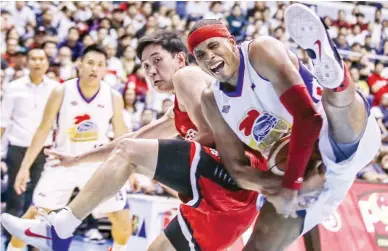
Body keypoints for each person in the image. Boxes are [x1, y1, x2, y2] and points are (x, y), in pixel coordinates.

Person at [1, 31, 294, 251]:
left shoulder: (188, 76)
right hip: (225, 204)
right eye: (145, 65)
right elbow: (130, 141)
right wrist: (76, 159)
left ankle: (59, 228)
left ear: (180, 59)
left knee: (131, 155)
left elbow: (214, 135)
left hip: (231, 177)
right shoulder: (175, 111)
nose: (151, 70)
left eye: (157, 60)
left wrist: (165, 162)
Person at [192, 4, 380, 250]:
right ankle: (336, 84)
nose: (209, 57)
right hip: (300, 177)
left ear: (230, 41)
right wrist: (283, 188)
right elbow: (237, 170)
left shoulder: (260, 51)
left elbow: (308, 118)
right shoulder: (212, 100)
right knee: (258, 245)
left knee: (334, 102)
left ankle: (335, 76)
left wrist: (292, 184)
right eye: (200, 55)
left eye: (213, 46)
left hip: (334, 140)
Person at [4, 45, 132, 251]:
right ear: (79, 65)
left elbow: (121, 133)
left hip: (96, 164)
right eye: (90, 63)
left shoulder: (113, 96)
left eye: (100, 65)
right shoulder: (61, 90)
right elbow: (43, 129)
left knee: (123, 225)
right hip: (62, 161)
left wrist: (131, 167)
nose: (94, 68)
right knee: (35, 218)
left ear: (106, 70)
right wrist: (25, 166)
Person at [0, 47, 59, 248]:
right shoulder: (14, 87)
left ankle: (34, 243)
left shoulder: (56, 88)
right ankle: (12, 243)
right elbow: (3, 121)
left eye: (41, 59)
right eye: (33, 58)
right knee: (15, 199)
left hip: (44, 151)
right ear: (27, 62)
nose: (37, 62)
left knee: (38, 198)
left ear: (47, 62)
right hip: (18, 148)